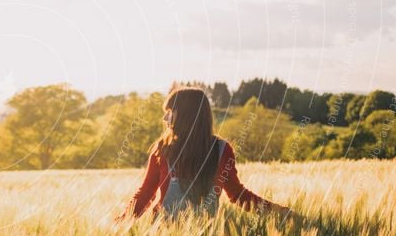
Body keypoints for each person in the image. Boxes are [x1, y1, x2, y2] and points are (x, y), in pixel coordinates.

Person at [115, 87, 292, 223]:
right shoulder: (162, 149)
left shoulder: (222, 150)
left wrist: (280, 212)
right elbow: (145, 194)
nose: (164, 119)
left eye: (169, 112)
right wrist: (121, 222)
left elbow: (238, 194)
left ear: (185, 115)